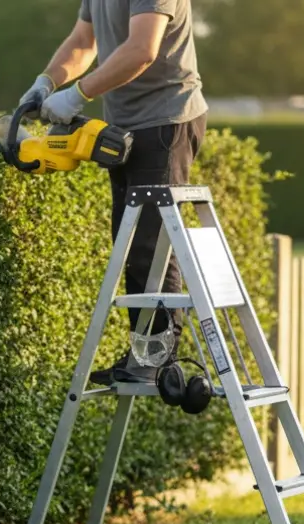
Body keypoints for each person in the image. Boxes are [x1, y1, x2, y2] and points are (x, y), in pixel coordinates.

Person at [21, 0, 208, 386]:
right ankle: (143, 354)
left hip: (166, 120)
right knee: (127, 242)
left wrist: (77, 96)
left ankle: (154, 358)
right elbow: (81, 42)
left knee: (150, 246)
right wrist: (47, 82)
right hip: (126, 124)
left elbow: (142, 49)